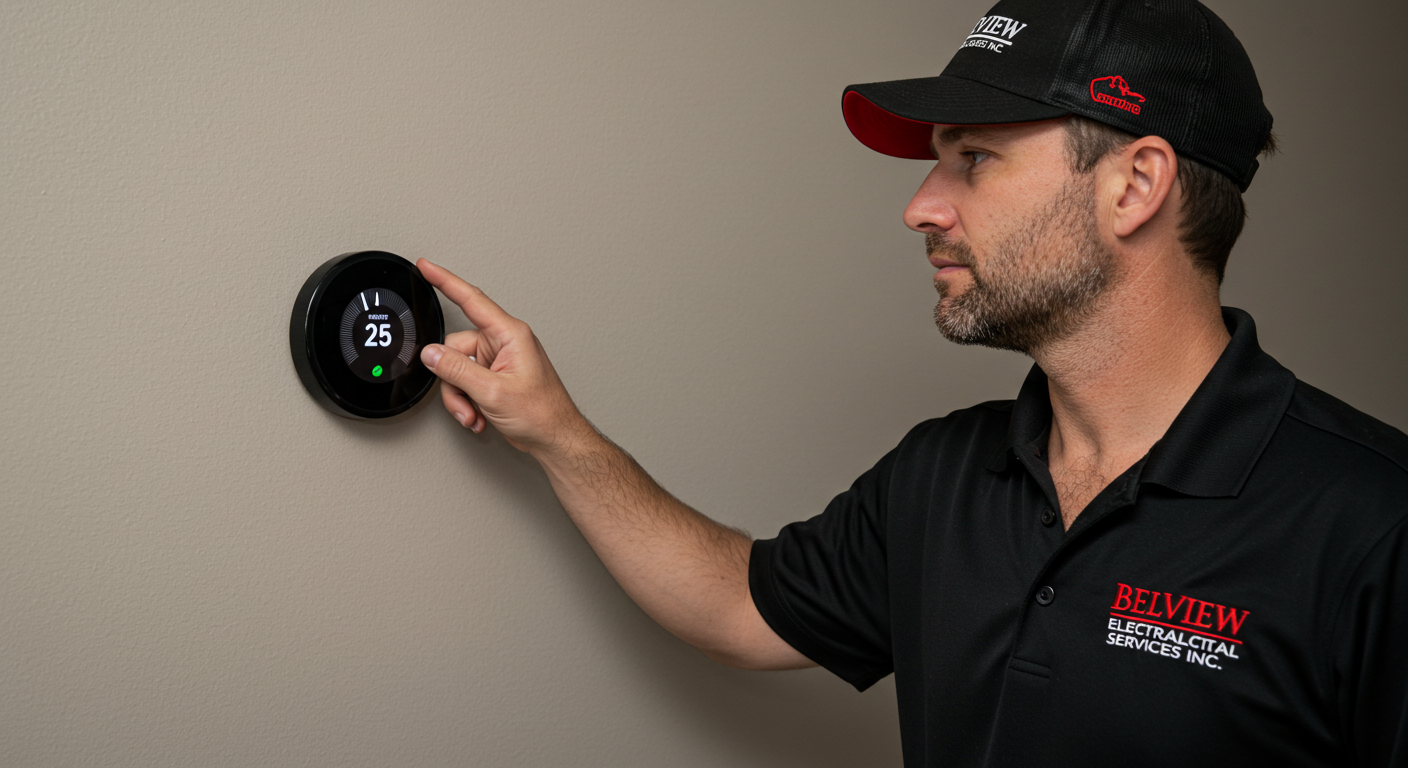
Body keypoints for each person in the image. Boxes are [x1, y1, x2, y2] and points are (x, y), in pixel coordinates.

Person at [415, 0, 1408, 764]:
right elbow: (734, 606)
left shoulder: (1373, 523)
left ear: (1135, 186)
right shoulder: (943, 473)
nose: (920, 209)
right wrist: (555, 431)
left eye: (973, 159)